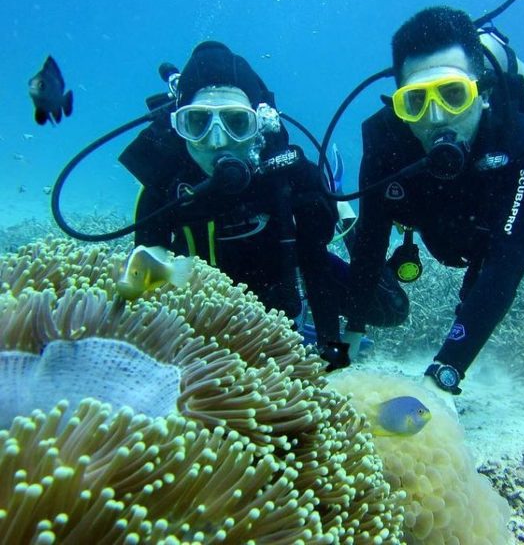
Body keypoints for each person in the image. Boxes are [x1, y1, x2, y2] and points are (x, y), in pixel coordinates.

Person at [342, 6, 524, 395]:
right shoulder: (385, 147)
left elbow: (505, 266)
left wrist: (445, 372)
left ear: (482, 92)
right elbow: (370, 245)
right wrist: (351, 332)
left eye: (453, 95)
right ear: (399, 105)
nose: (436, 117)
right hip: (462, 229)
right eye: (415, 101)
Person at [119, 41, 408, 364]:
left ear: (259, 124)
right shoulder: (164, 184)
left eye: (236, 122)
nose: (217, 141)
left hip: (280, 283)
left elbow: (314, 265)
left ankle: (342, 209)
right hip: (207, 303)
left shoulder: (289, 176)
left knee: (391, 308)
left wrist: (334, 347)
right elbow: (143, 277)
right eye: (198, 122)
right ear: (178, 127)